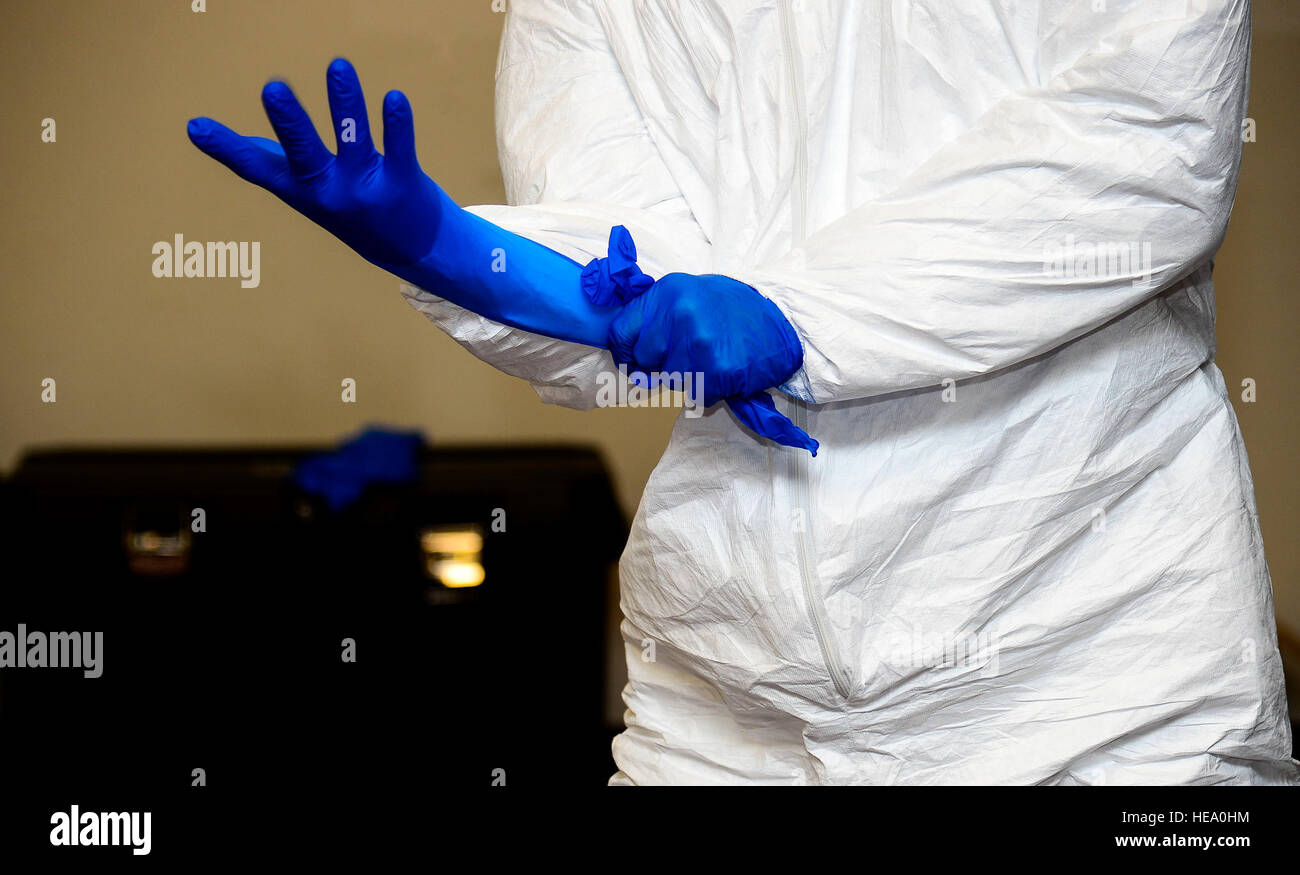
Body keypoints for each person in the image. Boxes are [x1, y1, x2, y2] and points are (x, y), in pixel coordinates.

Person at [190, 0, 1297, 784]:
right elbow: (646, 290)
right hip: (734, 685)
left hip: (1092, 663)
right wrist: (454, 250)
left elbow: (1143, 145)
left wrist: (799, 316)